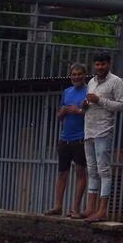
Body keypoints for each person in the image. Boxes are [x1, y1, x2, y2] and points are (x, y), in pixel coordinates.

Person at [81, 53, 123, 222]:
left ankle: (102, 210)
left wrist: (100, 100)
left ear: (109, 64)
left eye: (102, 64)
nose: (99, 67)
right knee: (91, 170)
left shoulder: (116, 81)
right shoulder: (91, 82)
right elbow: (88, 104)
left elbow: (122, 105)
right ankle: (90, 208)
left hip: (103, 131)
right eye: (97, 64)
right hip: (89, 130)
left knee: (103, 170)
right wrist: (85, 105)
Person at [47, 63, 88, 217]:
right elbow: (58, 116)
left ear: (84, 75)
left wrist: (77, 110)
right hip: (65, 137)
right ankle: (57, 206)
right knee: (62, 173)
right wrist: (63, 112)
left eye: (79, 74)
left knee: (80, 172)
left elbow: (93, 113)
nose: (76, 77)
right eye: (73, 74)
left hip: (81, 138)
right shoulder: (66, 92)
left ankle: (75, 209)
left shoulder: (89, 91)